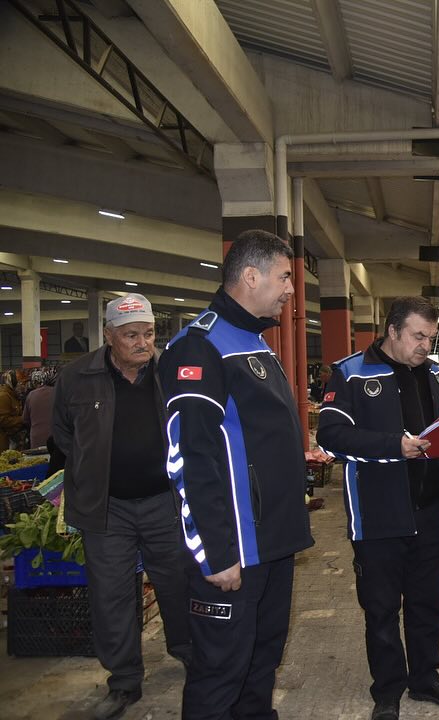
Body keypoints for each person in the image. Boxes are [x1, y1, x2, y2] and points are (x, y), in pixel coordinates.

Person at [158, 230, 314, 720]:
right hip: (236, 553)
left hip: (272, 544)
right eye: (285, 276)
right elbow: (191, 458)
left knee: (261, 665)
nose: (291, 288)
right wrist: (216, 552)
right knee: (219, 674)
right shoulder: (199, 347)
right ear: (251, 276)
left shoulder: (252, 341)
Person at [317, 296, 439, 720]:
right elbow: (330, 436)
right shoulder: (349, 373)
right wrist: (393, 448)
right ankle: (387, 690)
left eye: (431, 337)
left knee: (428, 603)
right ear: (393, 330)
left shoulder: (434, 375)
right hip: (379, 514)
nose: (426, 346)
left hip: (429, 510)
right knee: (381, 609)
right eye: (418, 336)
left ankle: (425, 677)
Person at [51, 293, 192, 720]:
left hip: (163, 503)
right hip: (105, 508)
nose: (142, 343)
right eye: (131, 335)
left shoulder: (169, 371)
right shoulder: (77, 377)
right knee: (111, 596)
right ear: (109, 336)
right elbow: (62, 435)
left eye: (148, 334)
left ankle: (190, 654)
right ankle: (125, 680)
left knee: (178, 583)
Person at [22, 366, 58, 448]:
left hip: (36, 438)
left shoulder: (31, 395)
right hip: (56, 437)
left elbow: (25, 420)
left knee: (38, 460)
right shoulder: (59, 393)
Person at [0, 370, 24, 450]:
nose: (23, 386)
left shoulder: (13, 395)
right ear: (12, 383)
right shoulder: (4, 397)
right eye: (21, 383)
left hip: (13, 441)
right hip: (5, 443)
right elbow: (3, 420)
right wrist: (22, 419)